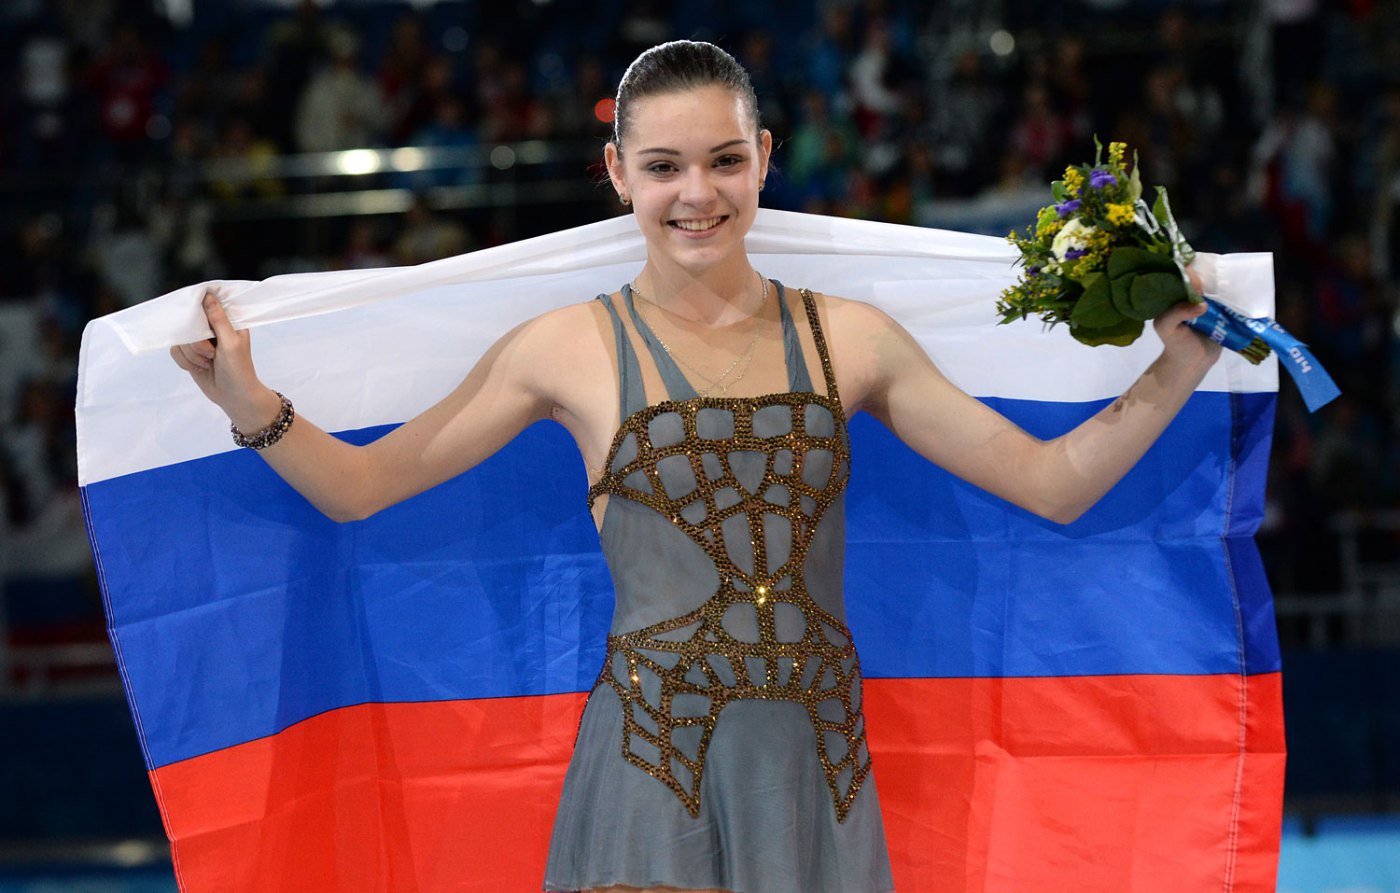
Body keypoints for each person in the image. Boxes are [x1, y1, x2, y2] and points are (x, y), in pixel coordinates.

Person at [171, 40, 1221, 893]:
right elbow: (362, 487)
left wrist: (1178, 364)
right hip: (647, 772)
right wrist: (248, 405)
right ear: (617, 172)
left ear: (764, 156)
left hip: (816, 784)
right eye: (663, 167)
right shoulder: (564, 348)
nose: (696, 193)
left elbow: (1052, 482)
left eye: (722, 160)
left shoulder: (852, 338)